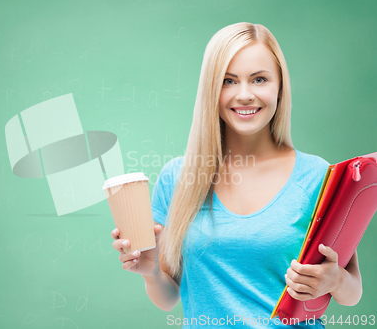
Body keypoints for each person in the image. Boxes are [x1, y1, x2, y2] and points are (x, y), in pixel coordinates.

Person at [110, 22, 363, 328]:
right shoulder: (177, 178)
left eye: (259, 79)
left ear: (280, 86)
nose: (244, 95)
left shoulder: (319, 176)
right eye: (228, 81)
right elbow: (168, 297)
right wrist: (151, 272)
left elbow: (352, 292)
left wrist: (333, 280)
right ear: (210, 90)